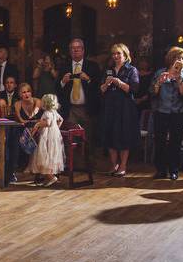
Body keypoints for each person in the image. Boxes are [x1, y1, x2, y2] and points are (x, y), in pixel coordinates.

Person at [150, 46, 183, 180]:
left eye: (182, 58)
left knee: (176, 141)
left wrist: (179, 80)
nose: (179, 60)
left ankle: (174, 170)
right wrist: (158, 83)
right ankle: (160, 170)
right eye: (177, 58)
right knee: (160, 141)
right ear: (171, 59)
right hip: (161, 111)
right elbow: (152, 92)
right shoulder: (160, 72)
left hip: (178, 112)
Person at [100, 43, 140, 177]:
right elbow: (101, 90)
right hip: (110, 106)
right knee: (110, 135)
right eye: (114, 54)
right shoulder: (108, 69)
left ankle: (123, 165)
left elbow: (133, 89)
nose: (116, 56)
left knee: (124, 136)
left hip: (125, 108)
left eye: (118, 54)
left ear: (125, 55)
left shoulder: (131, 70)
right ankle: (113, 165)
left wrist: (119, 82)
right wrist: (106, 83)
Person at [57, 38, 102, 142]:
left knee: (88, 139)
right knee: (72, 140)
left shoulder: (93, 66)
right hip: (70, 109)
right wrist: (63, 82)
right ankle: (73, 158)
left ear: (83, 50)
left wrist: (88, 79)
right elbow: (57, 88)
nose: (75, 50)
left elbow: (99, 87)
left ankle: (87, 157)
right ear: (70, 51)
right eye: (73, 48)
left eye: (78, 48)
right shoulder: (64, 66)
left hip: (87, 108)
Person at [27, 94, 64, 187]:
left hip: (47, 136)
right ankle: (48, 178)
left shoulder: (47, 113)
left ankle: (51, 177)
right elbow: (61, 120)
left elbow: (47, 123)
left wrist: (38, 124)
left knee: (44, 156)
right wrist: (56, 128)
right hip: (54, 135)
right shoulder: (54, 112)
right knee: (50, 155)